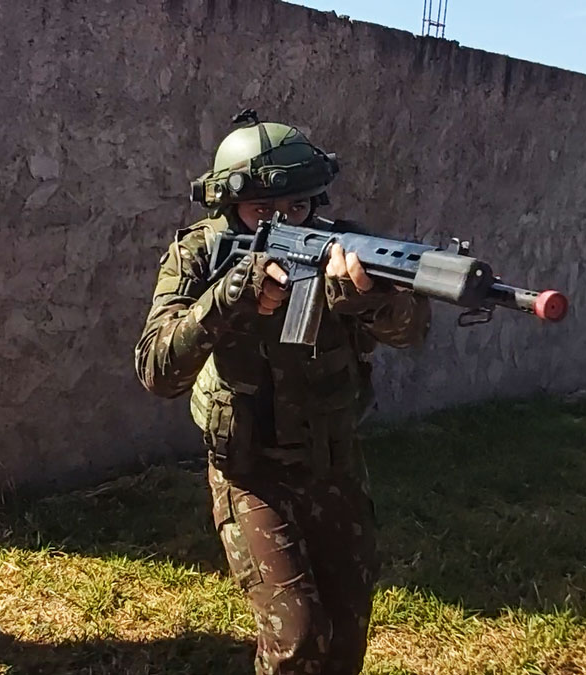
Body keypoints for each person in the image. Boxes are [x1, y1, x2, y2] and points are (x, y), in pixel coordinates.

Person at [134, 112, 432, 675]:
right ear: (228, 209)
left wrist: (369, 303)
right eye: (261, 212)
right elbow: (156, 371)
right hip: (250, 472)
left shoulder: (348, 250)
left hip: (334, 463)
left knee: (345, 635)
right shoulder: (198, 256)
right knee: (296, 640)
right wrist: (222, 302)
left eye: (297, 208)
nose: (284, 221)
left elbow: (413, 330)